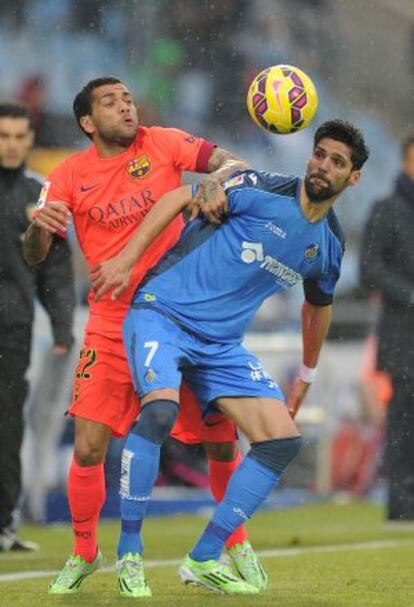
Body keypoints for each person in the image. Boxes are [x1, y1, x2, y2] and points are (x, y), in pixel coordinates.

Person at [92, 119, 369, 595]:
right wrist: (127, 259)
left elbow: (318, 307)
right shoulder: (261, 187)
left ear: (353, 178)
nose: (322, 165)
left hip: (219, 346)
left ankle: (203, 557)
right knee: (159, 411)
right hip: (163, 313)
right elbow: (181, 197)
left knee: (282, 440)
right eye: (319, 154)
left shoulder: (328, 245)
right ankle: (129, 554)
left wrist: (306, 373)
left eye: (336, 161)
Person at [23, 76, 264, 595]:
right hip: (110, 325)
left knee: (221, 440)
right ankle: (85, 551)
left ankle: (237, 543)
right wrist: (40, 228)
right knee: (88, 447)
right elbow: (34, 255)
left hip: (181, 318)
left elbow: (233, 160)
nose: (126, 107)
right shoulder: (67, 175)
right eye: (110, 102)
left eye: (128, 98)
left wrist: (218, 177)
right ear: (88, 122)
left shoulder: (164, 142)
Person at [0, 101, 75, 551]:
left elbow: (55, 269)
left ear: (31, 140)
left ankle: (3, 524)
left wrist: (63, 327)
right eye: (3, 136)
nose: (11, 145)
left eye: (18, 136)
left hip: (13, 327)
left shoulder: (40, 197)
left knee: (8, 423)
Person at [360, 136, 414, 521]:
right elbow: (369, 270)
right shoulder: (386, 209)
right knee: (404, 420)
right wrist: (410, 295)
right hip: (403, 336)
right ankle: (402, 502)